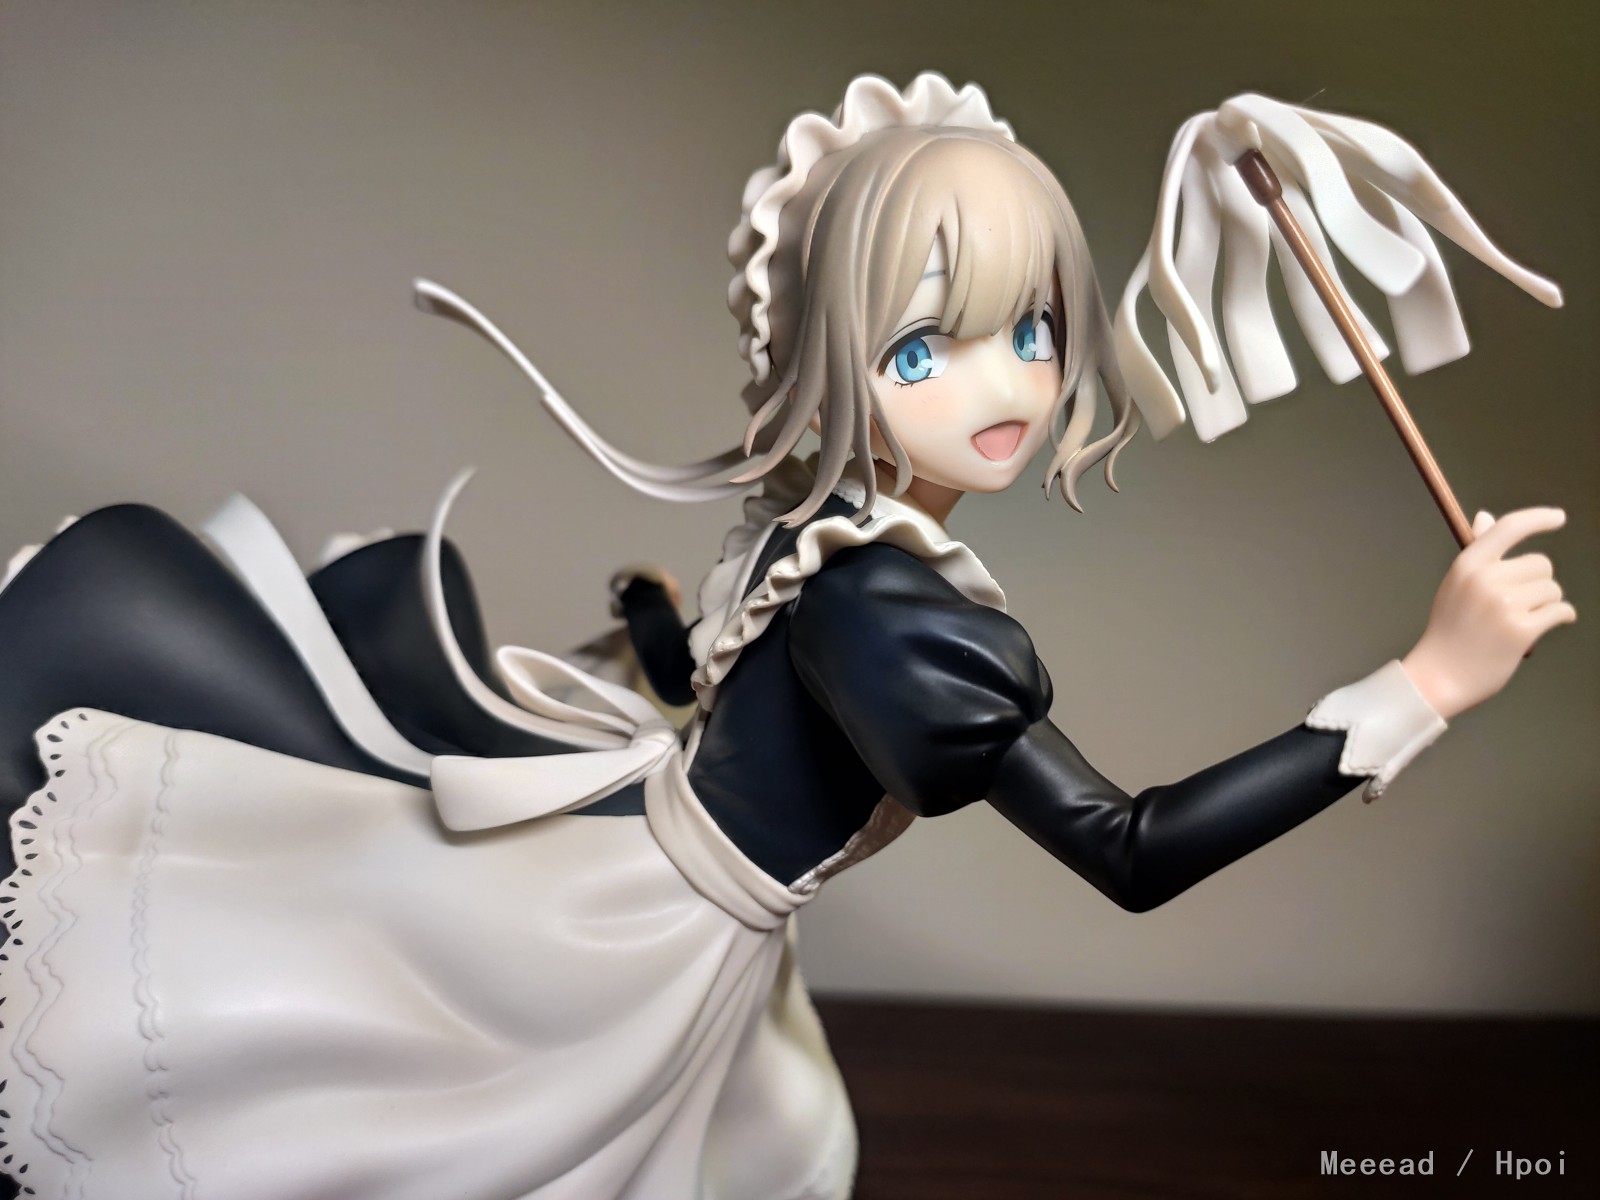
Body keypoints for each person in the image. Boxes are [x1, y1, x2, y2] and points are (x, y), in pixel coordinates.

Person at [0, 73, 1573, 1200]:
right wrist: (1421, 685)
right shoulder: (888, 606)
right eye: (926, 348)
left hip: (691, 903)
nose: (1007, 385)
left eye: (1033, 329)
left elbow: (747, 698)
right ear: (834, 359)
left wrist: (659, 640)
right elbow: (1132, 848)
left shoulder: (838, 538)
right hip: (649, 919)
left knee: (765, 1147)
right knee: (457, 1117)